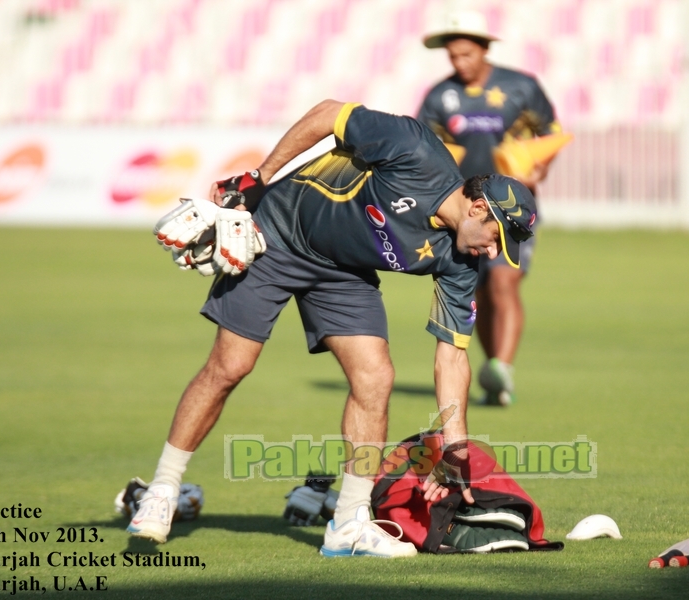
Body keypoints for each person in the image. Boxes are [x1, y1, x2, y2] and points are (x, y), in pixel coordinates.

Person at [127, 99, 538, 557]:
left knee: (376, 376)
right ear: (479, 207)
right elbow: (328, 115)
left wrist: (456, 443)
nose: (493, 252)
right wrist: (260, 177)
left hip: (343, 272)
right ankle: (161, 493)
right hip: (276, 234)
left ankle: (349, 523)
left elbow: (452, 354)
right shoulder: (415, 150)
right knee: (231, 365)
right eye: (497, 238)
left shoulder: (461, 262)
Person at [418, 10, 562, 407]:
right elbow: (424, 149)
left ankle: (503, 367)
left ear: (484, 48)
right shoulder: (439, 96)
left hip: (512, 206)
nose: (459, 63)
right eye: (453, 57)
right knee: (478, 291)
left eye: (466, 54)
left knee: (504, 282)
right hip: (466, 212)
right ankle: (492, 372)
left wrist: (539, 169)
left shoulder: (521, 87)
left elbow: (549, 133)